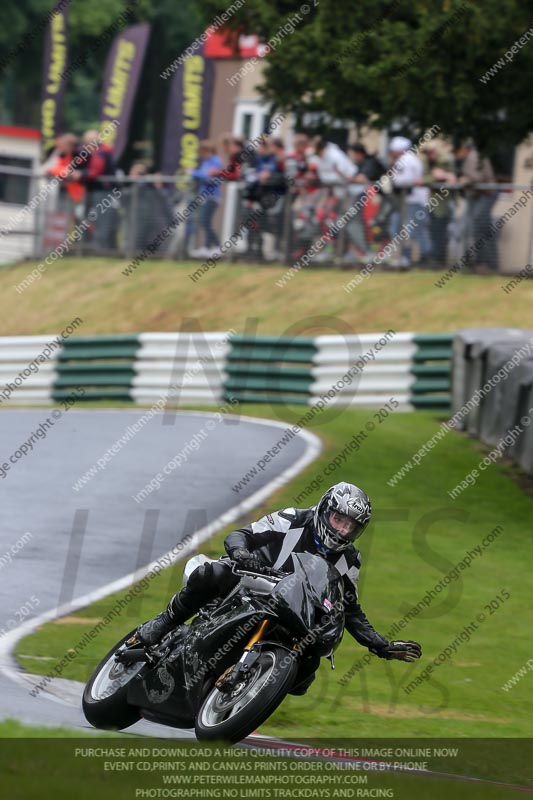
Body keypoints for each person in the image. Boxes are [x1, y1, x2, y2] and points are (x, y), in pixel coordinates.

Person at [137, 482, 422, 693]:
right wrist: (242, 554)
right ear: (325, 509)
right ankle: (163, 623)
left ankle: (253, 690)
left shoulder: (350, 559)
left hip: (293, 609)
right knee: (212, 573)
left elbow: (350, 608)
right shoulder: (293, 518)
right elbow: (241, 535)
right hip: (251, 581)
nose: (342, 531)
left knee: (307, 671)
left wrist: (379, 645)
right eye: (339, 520)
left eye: (352, 527)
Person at [454, 139, 499, 274]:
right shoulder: (473, 155)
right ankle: (486, 263)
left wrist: (463, 180)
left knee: (478, 227)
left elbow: (477, 177)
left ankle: (484, 263)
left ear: (464, 148)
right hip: (481, 196)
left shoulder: (473, 156)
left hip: (485, 195)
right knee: (482, 228)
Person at [388, 136, 432, 267]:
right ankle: (405, 257)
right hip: (407, 200)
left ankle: (426, 257)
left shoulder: (405, 159)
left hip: (414, 200)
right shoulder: (409, 159)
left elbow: (405, 180)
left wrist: (392, 179)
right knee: (398, 228)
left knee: (415, 230)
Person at [72, 129, 117, 250]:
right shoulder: (94, 152)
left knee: (101, 220)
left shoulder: (102, 152)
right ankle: (87, 245)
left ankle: (100, 248)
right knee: (87, 218)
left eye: (88, 143)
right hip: (94, 191)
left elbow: (95, 171)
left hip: (102, 191)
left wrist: (81, 174)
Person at [421, 142, 456, 268]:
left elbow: (450, 179)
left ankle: (439, 260)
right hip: (432, 203)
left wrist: (442, 176)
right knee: (433, 231)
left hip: (443, 204)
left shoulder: (445, 160)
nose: (429, 156)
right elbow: (425, 178)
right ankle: (435, 259)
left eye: (431, 152)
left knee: (440, 232)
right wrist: (435, 176)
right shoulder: (428, 161)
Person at [188, 140, 223, 257]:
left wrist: (193, 172)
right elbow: (204, 174)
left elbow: (207, 177)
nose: (200, 155)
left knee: (205, 221)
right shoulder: (206, 162)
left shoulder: (215, 161)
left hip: (212, 197)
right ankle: (207, 247)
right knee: (205, 222)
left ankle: (218, 246)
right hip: (204, 196)